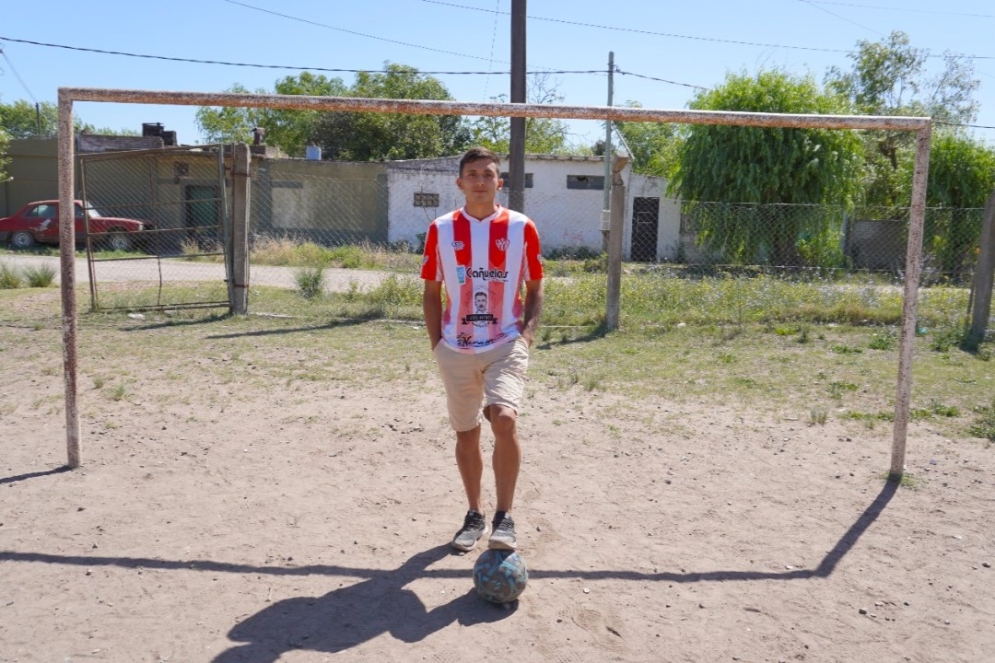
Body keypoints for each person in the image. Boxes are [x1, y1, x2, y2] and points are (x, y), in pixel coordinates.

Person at [421, 147, 544, 552]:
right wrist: (437, 344)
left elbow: (535, 284)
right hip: (455, 347)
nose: (479, 180)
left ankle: (504, 517)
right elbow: (432, 290)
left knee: (504, 419)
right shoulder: (440, 229)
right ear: (459, 183)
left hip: (505, 342)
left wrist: (527, 332)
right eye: (472, 174)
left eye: (487, 174)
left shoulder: (521, 226)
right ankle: (473, 514)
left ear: (499, 182)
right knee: (467, 432)